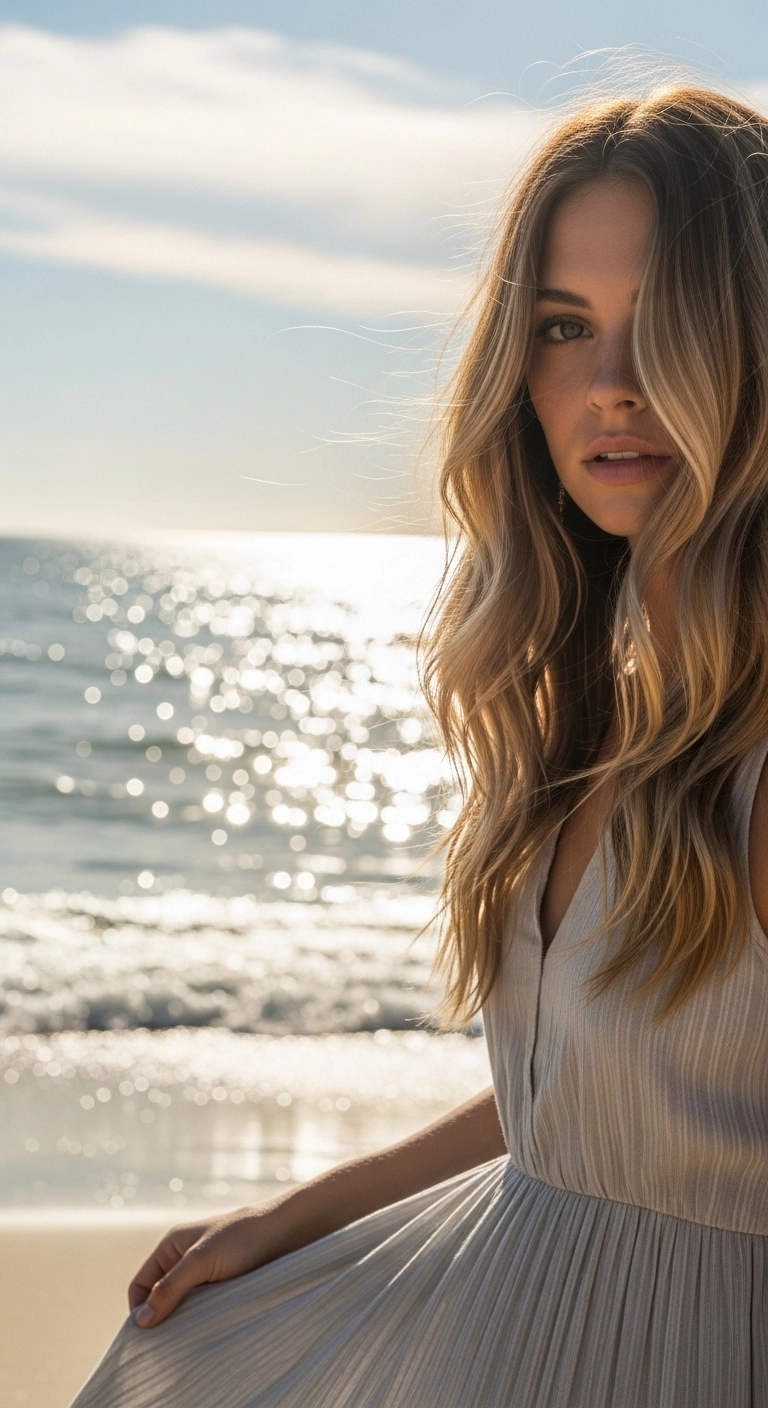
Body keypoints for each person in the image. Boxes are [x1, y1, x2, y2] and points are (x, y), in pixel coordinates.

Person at [70, 85, 768, 1408]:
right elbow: (603, 1107)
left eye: (665, 322)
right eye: (565, 329)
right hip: (520, 1320)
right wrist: (300, 1215)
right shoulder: (599, 717)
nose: (612, 386)